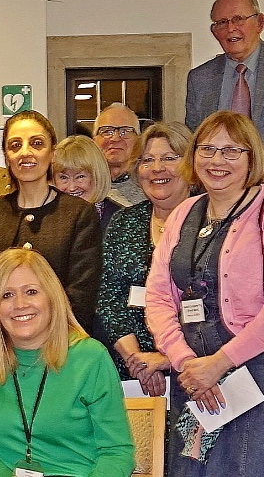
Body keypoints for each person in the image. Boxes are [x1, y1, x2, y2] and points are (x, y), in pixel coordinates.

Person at [144, 111, 264, 476]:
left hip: (258, 366)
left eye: (231, 151)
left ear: (252, 157)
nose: (216, 160)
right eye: (207, 149)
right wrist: (186, 362)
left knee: (246, 467)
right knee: (190, 464)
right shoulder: (184, 212)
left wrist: (220, 363)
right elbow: (157, 296)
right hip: (193, 369)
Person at [0, 248, 134, 476]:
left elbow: (117, 452)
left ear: (52, 297)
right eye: (6, 295)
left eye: (31, 292)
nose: (20, 304)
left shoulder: (90, 357)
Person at [0, 110, 101, 335]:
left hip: (62, 341)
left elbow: (82, 294)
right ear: (6, 156)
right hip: (0, 341)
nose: (25, 152)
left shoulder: (79, 214)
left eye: (37, 143)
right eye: (15, 145)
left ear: (52, 153)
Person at [95, 122, 193, 394]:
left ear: (191, 164)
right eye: (147, 160)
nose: (157, 168)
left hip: (200, 371)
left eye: (169, 158)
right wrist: (137, 361)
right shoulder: (124, 222)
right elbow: (109, 299)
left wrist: (167, 360)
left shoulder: (211, 220)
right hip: (131, 374)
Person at [184, 0, 264, 148]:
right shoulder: (200, 79)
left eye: (238, 19)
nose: (230, 28)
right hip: (221, 163)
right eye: (222, 22)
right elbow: (193, 140)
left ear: (259, 23)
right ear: (214, 32)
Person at [53, 135, 121, 230]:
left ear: (97, 176)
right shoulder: (46, 219)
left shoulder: (120, 220)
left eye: (80, 177)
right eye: (64, 177)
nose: (72, 188)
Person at [93, 103, 146, 207]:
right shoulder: (80, 185)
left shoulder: (151, 186)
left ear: (138, 140)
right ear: (94, 140)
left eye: (125, 131)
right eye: (107, 131)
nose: (115, 138)